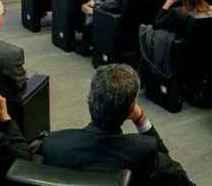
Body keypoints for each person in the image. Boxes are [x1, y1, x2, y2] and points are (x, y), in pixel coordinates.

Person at [41, 64, 195, 185]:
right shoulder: (145, 151)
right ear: (131, 110)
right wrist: (140, 119)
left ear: (89, 101)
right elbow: (173, 174)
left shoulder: (53, 144)